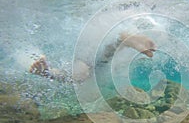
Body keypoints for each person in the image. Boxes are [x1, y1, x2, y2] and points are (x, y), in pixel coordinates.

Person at [29, 32, 157, 82]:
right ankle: (46, 72)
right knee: (85, 72)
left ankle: (46, 72)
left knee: (92, 67)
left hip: (90, 44)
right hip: (87, 49)